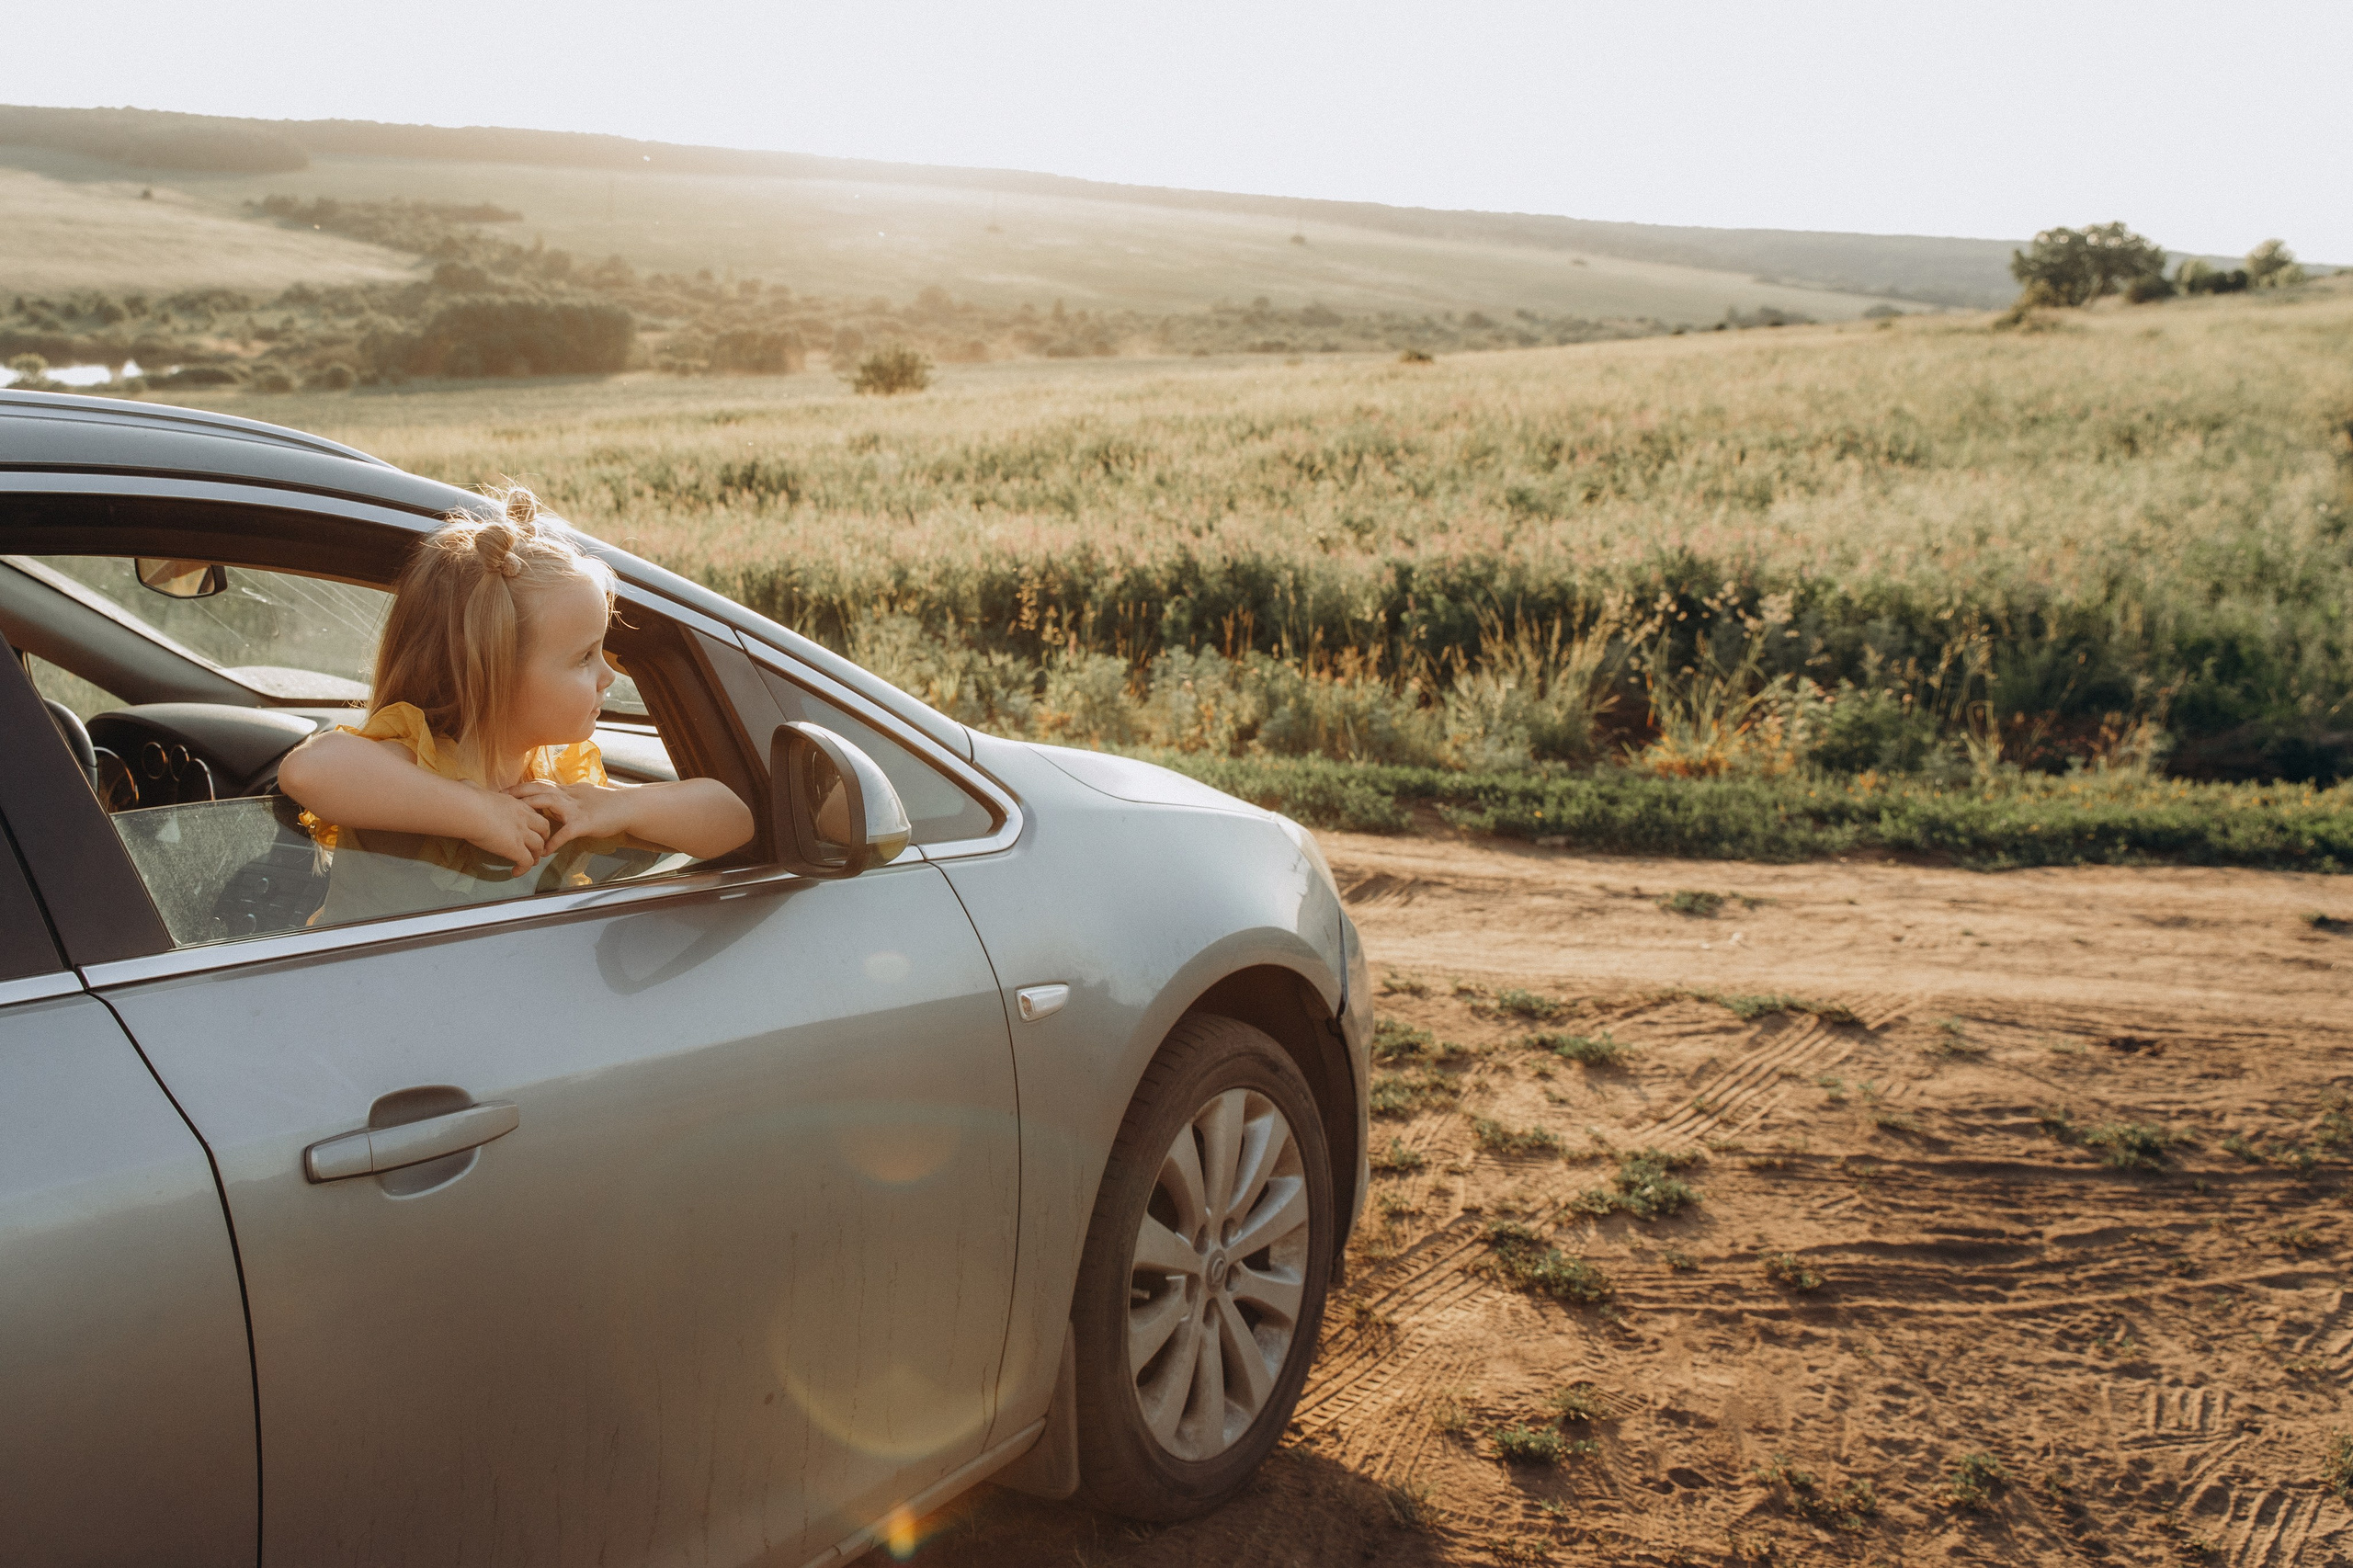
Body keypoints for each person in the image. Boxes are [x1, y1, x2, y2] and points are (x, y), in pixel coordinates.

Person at [278, 490, 754, 923]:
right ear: (493, 674)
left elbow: (734, 822)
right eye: (584, 658)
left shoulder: (559, 781)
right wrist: (478, 812)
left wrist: (622, 806)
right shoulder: (421, 763)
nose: (608, 676)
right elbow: (310, 770)